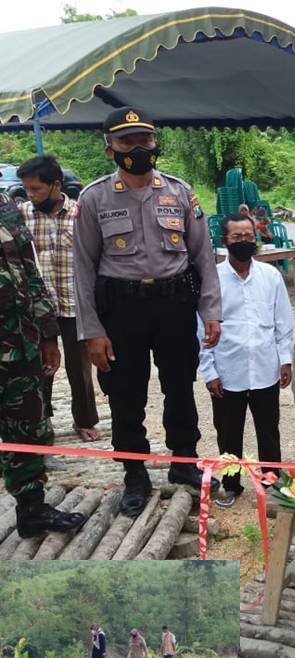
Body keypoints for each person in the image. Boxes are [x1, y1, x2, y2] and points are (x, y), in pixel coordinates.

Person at [73, 107, 222, 517]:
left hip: (174, 304)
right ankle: (134, 473)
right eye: (127, 141)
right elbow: (82, 269)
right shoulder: (94, 198)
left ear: (155, 143)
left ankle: (184, 460)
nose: (138, 148)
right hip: (121, 309)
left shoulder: (179, 192)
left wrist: (212, 311)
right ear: (110, 149)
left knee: (179, 384)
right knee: (125, 393)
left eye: (145, 140)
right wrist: (92, 331)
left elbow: (203, 257)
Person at [1, 193, 87, 538]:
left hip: (19, 347)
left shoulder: (6, 207)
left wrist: (48, 335)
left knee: (29, 428)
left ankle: (32, 510)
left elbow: (30, 271)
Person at [201, 213, 294, 508]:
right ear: (224, 241)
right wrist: (209, 371)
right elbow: (200, 330)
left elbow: (283, 322)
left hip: (266, 367)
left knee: (269, 429)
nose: (244, 242)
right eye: (237, 237)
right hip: (228, 369)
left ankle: (272, 481)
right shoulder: (212, 280)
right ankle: (231, 485)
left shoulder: (270, 276)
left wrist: (286, 359)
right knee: (229, 432)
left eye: (248, 236)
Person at [18, 156, 101, 444]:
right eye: (26, 189)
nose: (30, 195)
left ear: (56, 185)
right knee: (41, 365)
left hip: (75, 304)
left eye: (36, 189)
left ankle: (86, 420)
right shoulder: (22, 215)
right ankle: (41, 423)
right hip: (38, 308)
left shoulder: (80, 214)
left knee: (80, 368)